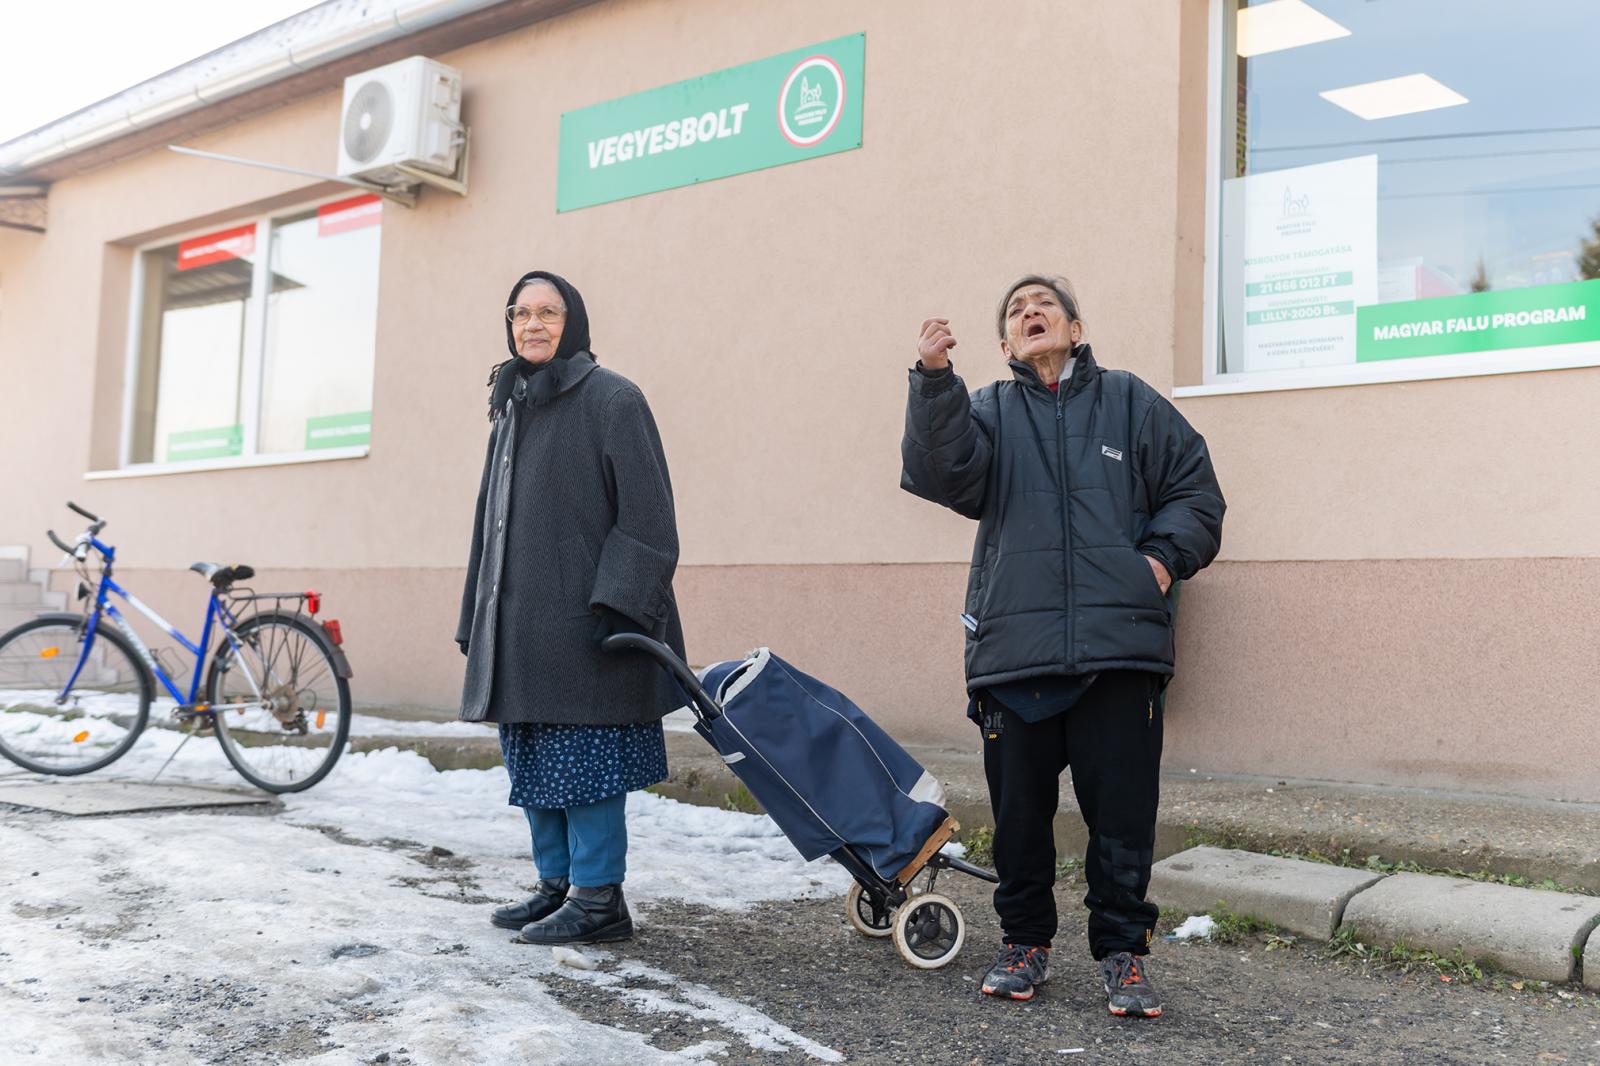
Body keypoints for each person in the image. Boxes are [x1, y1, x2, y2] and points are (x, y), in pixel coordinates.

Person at [900, 275, 1224, 1017]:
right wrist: (933, 382)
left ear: (1076, 329)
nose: (1030, 313)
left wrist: (1159, 562)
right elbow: (940, 472)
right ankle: (1025, 944)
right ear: (1006, 344)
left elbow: (1196, 492)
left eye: (1044, 304)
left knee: (1122, 819)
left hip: (1120, 652)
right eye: (1016, 311)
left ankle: (1122, 955)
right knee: (1018, 820)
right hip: (1016, 651)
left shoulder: (1131, 401)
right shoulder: (985, 410)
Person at [456, 269, 685, 946]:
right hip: (517, 623)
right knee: (531, 758)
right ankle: (556, 885)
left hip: (586, 624)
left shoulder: (613, 399)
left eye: (548, 312)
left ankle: (598, 898)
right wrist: (476, 611)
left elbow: (649, 520)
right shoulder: (512, 406)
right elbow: (488, 523)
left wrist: (617, 607)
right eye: (521, 313)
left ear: (572, 322)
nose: (533, 324)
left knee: (583, 765)